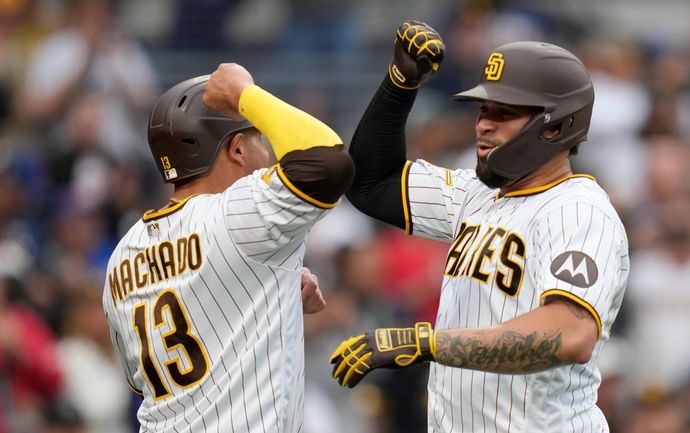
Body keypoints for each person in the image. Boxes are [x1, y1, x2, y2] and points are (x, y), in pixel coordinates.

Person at [329, 21, 630, 432]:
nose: (483, 125)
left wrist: (428, 343)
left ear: (557, 125)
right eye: (483, 110)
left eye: (504, 113)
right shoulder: (475, 192)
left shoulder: (578, 210)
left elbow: (569, 334)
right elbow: (370, 183)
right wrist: (400, 85)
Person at [102, 64, 354, 432]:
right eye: (259, 138)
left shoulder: (122, 254)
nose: (267, 151)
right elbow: (329, 161)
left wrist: (269, 290)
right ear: (236, 148)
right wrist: (244, 96)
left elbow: (145, 381)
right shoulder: (237, 212)